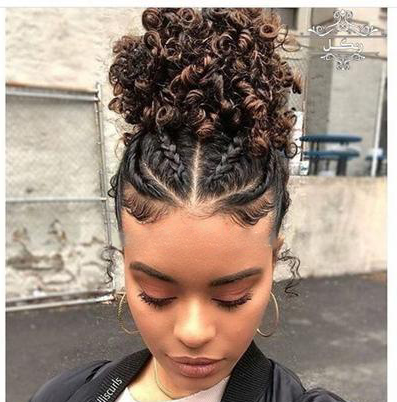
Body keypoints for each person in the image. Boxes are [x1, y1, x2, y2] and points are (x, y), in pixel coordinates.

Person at [29, 8, 347, 402]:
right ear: (125, 264)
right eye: (155, 294)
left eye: (233, 297)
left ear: (272, 262)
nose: (193, 333)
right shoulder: (66, 394)